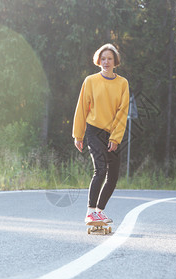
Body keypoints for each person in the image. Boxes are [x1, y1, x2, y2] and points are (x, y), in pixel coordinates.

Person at [72, 43, 130, 224]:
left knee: (113, 176)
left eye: (109, 59)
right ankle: (90, 212)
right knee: (100, 169)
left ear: (115, 62)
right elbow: (82, 108)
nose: (106, 62)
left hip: (111, 132)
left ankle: (99, 210)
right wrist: (78, 134)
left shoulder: (122, 83)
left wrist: (115, 138)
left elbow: (123, 112)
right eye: (103, 58)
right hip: (94, 130)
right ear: (98, 60)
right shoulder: (90, 81)